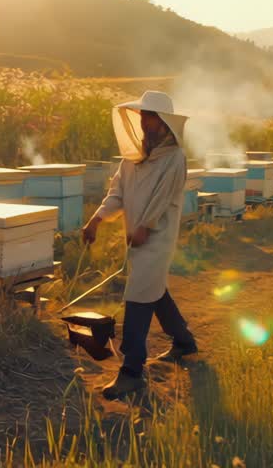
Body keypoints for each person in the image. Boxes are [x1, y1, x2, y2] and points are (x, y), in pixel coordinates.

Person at [82, 90, 199, 400]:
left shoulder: (175, 158)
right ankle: (184, 341)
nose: (144, 122)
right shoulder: (131, 158)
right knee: (153, 290)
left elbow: (162, 200)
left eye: (149, 116)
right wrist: (97, 219)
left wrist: (145, 227)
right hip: (137, 236)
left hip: (157, 238)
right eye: (142, 116)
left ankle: (132, 371)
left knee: (138, 296)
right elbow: (117, 194)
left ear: (164, 123)